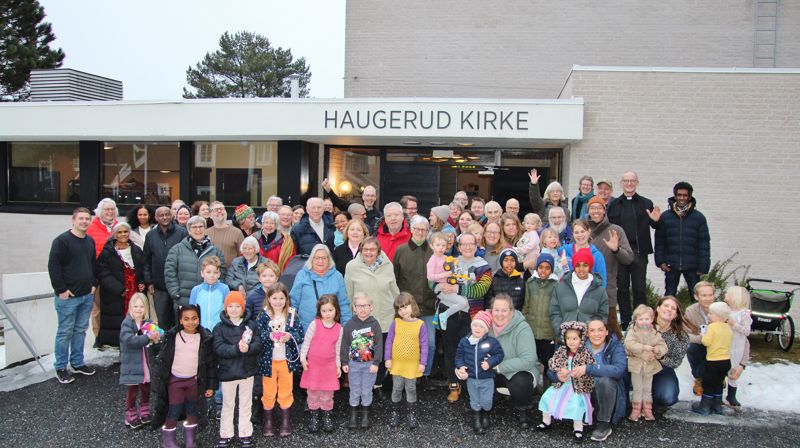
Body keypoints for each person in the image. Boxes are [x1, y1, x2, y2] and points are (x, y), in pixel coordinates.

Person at [434, 232, 492, 403]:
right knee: (450, 350)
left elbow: (481, 289)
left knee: (470, 351)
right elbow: (435, 283)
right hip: (449, 312)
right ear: (458, 247)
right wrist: (439, 286)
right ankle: (454, 385)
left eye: (471, 244)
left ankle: (470, 386)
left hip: (472, 316)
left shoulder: (484, 267)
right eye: (463, 244)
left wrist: (457, 289)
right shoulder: (450, 262)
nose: (467, 247)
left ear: (476, 245)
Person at [152, 304, 216, 448]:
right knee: (173, 410)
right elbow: (162, 359)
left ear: (199, 319)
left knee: (193, 410)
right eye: (186, 319)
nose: (190, 322)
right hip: (176, 381)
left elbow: (210, 364)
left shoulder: (204, 338)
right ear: (180, 320)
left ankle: (190, 440)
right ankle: (169, 441)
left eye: (194, 318)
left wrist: (210, 386)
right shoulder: (173, 336)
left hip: (194, 381)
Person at [48, 207, 98, 384]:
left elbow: (93, 265)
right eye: (81, 218)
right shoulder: (62, 241)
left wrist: (93, 285)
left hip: (86, 295)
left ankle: (77, 362)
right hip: (67, 297)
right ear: (73, 220)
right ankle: (61, 367)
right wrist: (61, 289)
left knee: (80, 331)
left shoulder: (89, 241)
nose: (84, 221)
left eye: (87, 219)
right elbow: (54, 267)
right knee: (64, 332)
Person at [606, 170, 661, 329]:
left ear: (637, 183)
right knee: (622, 288)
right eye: (626, 181)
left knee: (639, 288)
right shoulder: (614, 204)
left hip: (639, 251)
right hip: (620, 252)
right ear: (621, 183)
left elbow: (655, 225)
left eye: (632, 181)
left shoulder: (646, 203)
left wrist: (656, 222)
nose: (629, 184)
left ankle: (641, 321)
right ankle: (625, 322)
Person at [344, 237, 400, 390]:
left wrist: (399, 309)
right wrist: (351, 315)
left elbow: (394, 289)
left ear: (378, 251)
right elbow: (348, 293)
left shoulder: (387, 265)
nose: (369, 252)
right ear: (361, 250)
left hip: (385, 315)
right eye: (365, 249)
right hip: (363, 318)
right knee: (365, 353)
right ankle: (364, 386)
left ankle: (378, 384)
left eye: (372, 249)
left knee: (381, 353)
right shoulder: (352, 266)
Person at [212, 291, 262, 448]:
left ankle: (245, 432)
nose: (234, 309)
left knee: (246, 404)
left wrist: (249, 348)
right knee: (228, 405)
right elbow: (218, 348)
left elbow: (258, 344)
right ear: (226, 308)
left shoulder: (251, 325)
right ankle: (226, 433)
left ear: (243, 308)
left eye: (237, 306)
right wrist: (236, 349)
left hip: (247, 372)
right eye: (230, 306)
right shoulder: (219, 327)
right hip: (228, 373)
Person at [393, 215, 437, 384]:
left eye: (423, 230)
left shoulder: (434, 251)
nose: (420, 232)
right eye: (417, 229)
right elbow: (395, 278)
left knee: (430, 344)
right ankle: (407, 374)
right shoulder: (401, 250)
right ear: (411, 229)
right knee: (408, 344)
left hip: (428, 306)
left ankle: (424, 374)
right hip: (407, 308)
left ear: (428, 231)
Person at [256, 283, 305, 437]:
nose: (278, 301)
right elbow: (258, 335)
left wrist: (289, 337)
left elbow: (300, 334)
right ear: (269, 299)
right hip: (268, 361)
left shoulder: (291, 315)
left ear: (286, 299)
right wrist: (268, 336)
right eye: (274, 298)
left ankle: (285, 421)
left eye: (281, 298)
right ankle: (268, 421)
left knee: (286, 390)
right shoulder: (263, 315)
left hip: (286, 360)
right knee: (269, 391)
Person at [538, 321, 595, 443]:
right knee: (547, 397)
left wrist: (580, 373)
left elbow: (591, 369)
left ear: (581, 339)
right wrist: (559, 370)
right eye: (568, 338)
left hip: (578, 386)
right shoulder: (561, 351)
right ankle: (546, 421)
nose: (571, 341)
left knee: (576, 404)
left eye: (575, 338)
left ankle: (578, 428)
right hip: (562, 384)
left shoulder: (585, 353)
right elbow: (551, 362)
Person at [586, 195, 634, 339]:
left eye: (599, 207)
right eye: (592, 208)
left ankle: (619, 357)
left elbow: (629, 258)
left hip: (608, 288)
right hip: (585, 289)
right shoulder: (583, 229)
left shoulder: (615, 230)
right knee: (588, 329)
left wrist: (616, 249)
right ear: (588, 211)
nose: (596, 211)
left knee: (611, 328)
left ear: (604, 209)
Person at [488, 294, 539, 428]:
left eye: (504, 310)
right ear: (491, 310)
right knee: (473, 375)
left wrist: (499, 367)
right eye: (496, 310)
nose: (499, 314)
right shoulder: (484, 325)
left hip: (520, 370)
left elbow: (528, 360)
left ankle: (524, 410)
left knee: (520, 382)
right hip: (492, 368)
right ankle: (484, 406)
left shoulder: (522, 328)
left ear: (511, 311)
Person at [654, 181, 711, 296]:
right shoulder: (665, 217)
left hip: (693, 265)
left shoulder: (699, 218)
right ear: (675, 196)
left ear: (689, 197)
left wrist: (703, 266)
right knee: (669, 295)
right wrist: (661, 261)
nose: (682, 198)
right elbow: (659, 241)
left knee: (696, 296)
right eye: (679, 195)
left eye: (685, 195)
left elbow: (704, 244)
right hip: (671, 264)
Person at [455, 310, 504, 435]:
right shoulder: (464, 341)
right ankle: (476, 419)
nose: (477, 328)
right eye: (475, 325)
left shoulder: (491, 342)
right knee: (474, 400)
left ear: (486, 329)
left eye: (481, 326)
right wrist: (460, 366)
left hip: (487, 378)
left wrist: (490, 362)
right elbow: (458, 356)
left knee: (487, 401)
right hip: (471, 378)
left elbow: (499, 354)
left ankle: (486, 414)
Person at [299, 294, 343, 433]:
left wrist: (338, 365)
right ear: (319, 311)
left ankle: (327, 415)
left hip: (329, 367)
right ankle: (314, 416)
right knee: (312, 392)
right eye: (324, 310)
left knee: (327, 393)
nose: (327, 313)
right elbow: (306, 343)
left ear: (336, 310)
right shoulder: (314, 324)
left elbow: (337, 349)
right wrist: (303, 359)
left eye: (330, 310)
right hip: (314, 366)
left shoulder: (339, 328)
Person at [97, 222, 145, 347]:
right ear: (114, 235)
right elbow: (103, 273)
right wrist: (119, 289)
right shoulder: (107, 252)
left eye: (125, 232)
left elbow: (143, 268)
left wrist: (142, 283)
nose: (123, 234)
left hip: (135, 292)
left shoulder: (136, 250)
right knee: (118, 321)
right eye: (120, 232)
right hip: (116, 295)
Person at [165, 216, 226, 312]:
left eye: (201, 226)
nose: (198, 230)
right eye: (194, 227)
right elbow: (170, 272)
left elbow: (222, 273)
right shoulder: (177, 250)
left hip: (208, 300)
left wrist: (216, 292)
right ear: (189, 230)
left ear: (205, 229)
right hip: (184, 300)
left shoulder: (216, 251)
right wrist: (175, 294)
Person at [384, 292, 428, 429]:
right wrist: (388, 358)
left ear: (412, 306)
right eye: (400, 308)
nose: (403, 311)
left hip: (412, 365)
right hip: (397, 364)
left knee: (411, 388)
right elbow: (389, 342)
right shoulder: (395, 323)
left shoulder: (420, 324)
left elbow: (424, 345)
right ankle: (395, 412)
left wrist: (423, 362)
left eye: (405, 307)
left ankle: (411, 413)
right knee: (396, 388)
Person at [341, 292, 383, 429]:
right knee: (354, 390)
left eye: (365, 305)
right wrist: (344, 362)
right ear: (354, 307)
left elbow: (378, 345)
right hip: (353, 364)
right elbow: (345, 344)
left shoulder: (375, 324)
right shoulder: (349, 324)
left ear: (371, 307)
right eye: (359, 306)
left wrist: (376, 362)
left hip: (369, 364)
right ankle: (353, 415)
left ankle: (365, 415)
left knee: (366, 390)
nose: (362, 309)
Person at [119, 293, 160, 429]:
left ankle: (144, 410)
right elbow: (129, 340)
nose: (138, 309)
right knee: (132, 391)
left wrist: (157, 336)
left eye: (141, 306)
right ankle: (130, 413)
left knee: (145, 389)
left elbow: (160, 335)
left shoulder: (147, 323)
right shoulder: (127, 323)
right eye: (135, 306)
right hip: (132, 364)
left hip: (145, 365)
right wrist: (148, 338)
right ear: (130, 307)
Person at [583, 317, 628, 442]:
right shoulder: (579, 346)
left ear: (606, 332)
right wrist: (560, 374)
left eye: (600, 330)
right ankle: (583, 414)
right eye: (592, 330)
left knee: (606, 380)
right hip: (586, 391)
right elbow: (555, 369)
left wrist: (588, 368)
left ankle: (604, 423)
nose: (596, 334)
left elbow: (618, 370)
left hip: (607, 394)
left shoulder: (615, 346)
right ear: (587, 333)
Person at [143, 207, 187, 329]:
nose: (164, 217)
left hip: (178, 284)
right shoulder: (150, 235)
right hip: (159, 286)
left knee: (179, 318)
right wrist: (149, 281)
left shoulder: (182, 232)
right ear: (156, 218)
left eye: (167, 214)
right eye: (161, 215)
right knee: (161, 320)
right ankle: (164, 346)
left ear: (172, 215)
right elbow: (146, 260)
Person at [290, 244, 351, 330]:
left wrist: (346, 326)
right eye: (317, 258)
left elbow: (343, 303)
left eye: (324, 258)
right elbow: (293, 301)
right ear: (311, 259)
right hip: (305, 327)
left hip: (331, 328)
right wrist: (290, 324)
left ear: (329, 260)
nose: (320, 261)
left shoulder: (337, 276)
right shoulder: (302, 275)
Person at [550, 248, 609, 335]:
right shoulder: (560, 287)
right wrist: (561, 331)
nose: (581, 269)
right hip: (565, 339)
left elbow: (603, 315)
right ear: (574, 266)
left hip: (590, 340)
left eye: (585, 265)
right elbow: (554, 312)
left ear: (590, 267)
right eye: (578, 265)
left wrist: (593, 333)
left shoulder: (600, 291)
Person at [624, 305, 667, 421]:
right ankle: (636, 409)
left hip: (649, 366)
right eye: (640, 319)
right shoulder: (632, 332)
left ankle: (647, 409)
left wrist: (658, 350)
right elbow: (629, 344)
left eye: (646, 319)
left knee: (647, 388)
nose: (644, 322)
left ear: (652, 319)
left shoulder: (655, 333)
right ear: (636, 320)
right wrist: (643, 347)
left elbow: (663, 345)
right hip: (636, 366)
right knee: (637, 388)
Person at [691, 301, 732, 416]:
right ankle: (717, 406)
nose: (708, 315)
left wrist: (702, 335)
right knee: (718, 383)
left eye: (711, 314)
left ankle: (704, 407)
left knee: (708, 383)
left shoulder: (712, 327)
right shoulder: (728, 328)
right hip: (726, 361)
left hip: (713, 361)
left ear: (718, 316)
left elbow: (706, 342)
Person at [523, 253, 559, 382]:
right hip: (532, 330)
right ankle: (532, 386)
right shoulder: (530, 283)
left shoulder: (555, 285)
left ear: (551, 270)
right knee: (532, 360)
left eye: (547, 268)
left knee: (549, 362)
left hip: (548, 332)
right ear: (537, 268)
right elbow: (526, 306)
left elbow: (557, 308)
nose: (543, 270)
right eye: (541, 267)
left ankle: (547, 391)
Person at [87, 198, 119, 339]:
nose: (110, 212)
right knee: (98, 309)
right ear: (100, 212)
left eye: (112, 209)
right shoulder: (91, 228)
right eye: (107, 209)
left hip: (117, 275)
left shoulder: (120, 227)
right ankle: (98, 337)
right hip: (98, 275)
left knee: (116, 309)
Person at [651, 296, 691, 409]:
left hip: (662, 368)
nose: (669, 309)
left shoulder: (681, 336)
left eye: (673, 308)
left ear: (676, 315)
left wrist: (661, 357)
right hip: (637, 365)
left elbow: (675, 362)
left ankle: (654, 395)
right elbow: (625, 344)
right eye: (666, 306)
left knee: (667, 397)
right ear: (658, 308)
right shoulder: (641, 323)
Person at [426, 232, 469, 329]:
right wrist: (443, 275)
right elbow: (429, 276)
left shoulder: (447, 258)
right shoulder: (433, 260)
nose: (441, 248)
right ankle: (444, 315)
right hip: (439, 286)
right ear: (431, 246)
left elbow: (454, 268)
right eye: (438, 245)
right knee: (463, 303)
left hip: (449, 285)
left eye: (443, 245)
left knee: (464, 304)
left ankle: (442, 312)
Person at [189, 256, 230, 343]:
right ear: (202, 273)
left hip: (219, 332)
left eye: (215, 272)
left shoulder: (224, 289)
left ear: (219, 274)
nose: (212, 275)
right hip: (200, 331)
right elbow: (191, 312)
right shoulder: (196, 290)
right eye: (208, 272)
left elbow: (227, 311)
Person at [684, 281, 715, 397]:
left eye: (710, 295)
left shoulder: (721, 309)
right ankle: (699, 378)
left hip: (718, 346)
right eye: (704, 295)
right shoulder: (690, 311)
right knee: (691, 347)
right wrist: (700, 339)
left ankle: (719, 376)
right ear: (696, 297)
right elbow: (685, 335)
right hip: (700, 342)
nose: (708, 299)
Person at [724, 286, 752, 407]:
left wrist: (733, 324)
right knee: (721, 370)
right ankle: (718, 394)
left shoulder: (744, 314)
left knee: (732, 371)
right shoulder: (725, 310)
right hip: (724, 345)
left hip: (737, 347)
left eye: (728, 293)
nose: (725, 294)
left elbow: (747, 331)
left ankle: (731, 396)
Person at [562, 220, 608, 288]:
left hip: (589, 295)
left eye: (582, 231)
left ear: (589, 231)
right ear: (573, 234)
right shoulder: (564, 251)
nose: (580, 235)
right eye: (576, 232)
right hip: (568, 294)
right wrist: (560, 266)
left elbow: (602, 282)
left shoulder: (597, 256)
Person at [206, 201, 244, 270]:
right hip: (211, 276)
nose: (219, 211)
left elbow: (242, 256)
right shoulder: (206, 233)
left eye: (222, 209)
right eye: (216, 210)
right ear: (210, 215)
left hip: (232, 275)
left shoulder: (237, 232)